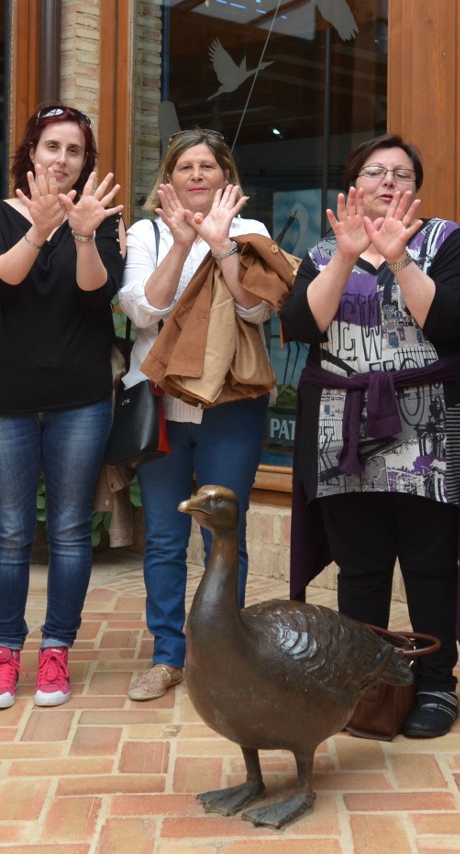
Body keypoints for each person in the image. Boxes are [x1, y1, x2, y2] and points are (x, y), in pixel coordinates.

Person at [280, 134, 460, 738]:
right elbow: (300, 325)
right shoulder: (324, 251)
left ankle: (436, 685)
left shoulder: (444, 241)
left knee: (429, 563)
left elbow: (450, 321)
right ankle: (366, 684)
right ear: (354, 188)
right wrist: (346, 258)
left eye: (402, 174)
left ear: (416, 189)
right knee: (360, 566)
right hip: (342, 429)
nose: (389, 182)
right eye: (376, 172)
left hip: (430, 426)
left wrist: (399, 258)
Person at [119, 128, 293, 701]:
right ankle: (168, 655)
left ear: (226, 177)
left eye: (207, 167)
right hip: (162, 407)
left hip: (231, 407)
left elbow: (256, 313)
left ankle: (223, 655)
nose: (197, 175)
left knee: (226, 538)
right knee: (166, 537)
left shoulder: (251, 232)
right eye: (185, 167)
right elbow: (144, 312)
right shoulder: (145, 231)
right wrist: (177, 243)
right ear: (167, 181)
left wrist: (220, 247)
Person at [0, 103, 125, 710]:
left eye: (75, 151)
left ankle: (57, 649)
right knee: (8, 533)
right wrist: (38, 227)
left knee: (67, 530)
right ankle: (4, 654)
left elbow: (96, 291)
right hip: (4, 399)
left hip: (78, 399)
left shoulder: (100, 220)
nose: (62, 159)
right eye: (52, 147)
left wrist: (81, 232)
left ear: (86, 163)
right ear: (31, 153)